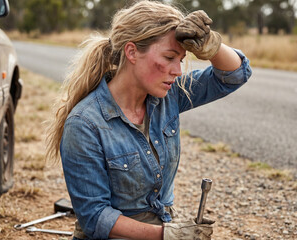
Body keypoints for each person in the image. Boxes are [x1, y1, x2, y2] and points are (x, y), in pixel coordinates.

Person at [46, 1, 252, 239]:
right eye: (169, 57)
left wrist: (210, 45)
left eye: (181, 59)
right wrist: (168, 235)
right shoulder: (85, 123)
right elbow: (94, 217)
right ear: (132, 52)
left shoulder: (169, 95)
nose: (178, 70)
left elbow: (235, 75)